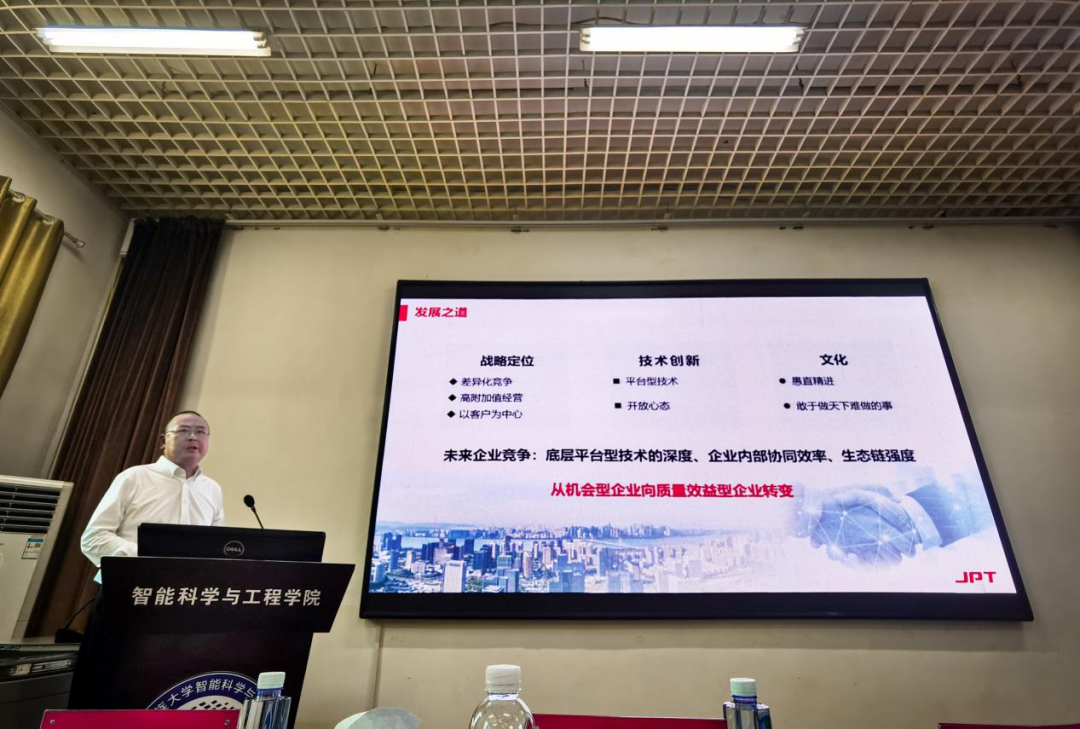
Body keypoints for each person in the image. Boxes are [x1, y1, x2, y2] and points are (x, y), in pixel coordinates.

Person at [68, 410, 224, 708]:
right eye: (184, 430)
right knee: (106, 689)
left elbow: (214, 549)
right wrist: (149, 558)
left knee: (162, 690)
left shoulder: (212, 490)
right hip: (128, 596)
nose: (193, 437)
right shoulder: (134, 477)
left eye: (201, 431)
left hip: (184, 604)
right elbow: (93, 539)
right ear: (163, 440)